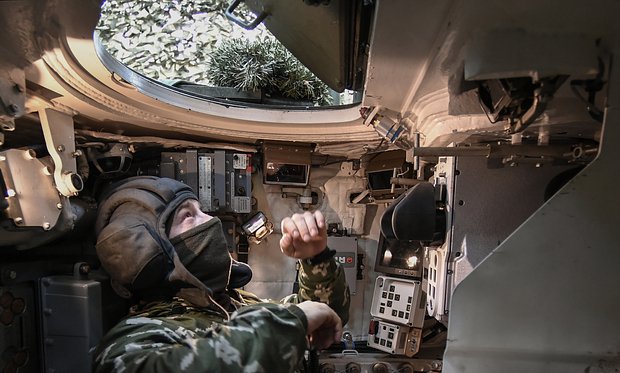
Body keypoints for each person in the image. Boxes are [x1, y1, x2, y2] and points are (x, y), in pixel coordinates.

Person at [91, 176, 350, 372]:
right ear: (150, 254)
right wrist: (292, 322)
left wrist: (315, 256)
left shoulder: (237, 304)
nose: (211, 220)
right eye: (188, 216)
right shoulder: (136, 337)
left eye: (201, 210)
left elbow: (326, 316)